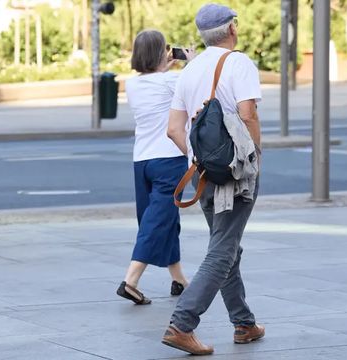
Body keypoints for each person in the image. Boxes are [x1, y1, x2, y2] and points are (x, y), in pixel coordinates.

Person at [163, 3, 264, 355]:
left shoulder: (189, 71)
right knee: (222, 250)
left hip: (202, 174)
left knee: (226, 244)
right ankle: (182, 323)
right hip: (234, 172)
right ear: (232, 28)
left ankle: (244, 323)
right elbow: (248, 114)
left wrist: (198, 158)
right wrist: (254, 157)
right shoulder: (238, 63)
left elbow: (174, 129)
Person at [116, 30, 196, 305]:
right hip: (169, 160)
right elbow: (197, 86)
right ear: (160, 53)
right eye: (167, 49)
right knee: (156, 221)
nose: (171, 52)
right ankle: (131, 281)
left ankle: (179, 279)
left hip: (142, 161)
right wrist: (191, 60)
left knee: (165, 219)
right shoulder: (172, 81)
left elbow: (159, 81)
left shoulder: (132, 84)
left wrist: (165, 66)